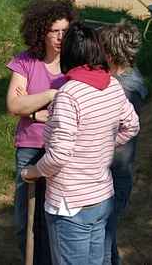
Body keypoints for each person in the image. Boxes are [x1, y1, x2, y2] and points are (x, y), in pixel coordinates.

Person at [21, 22, 140, 265]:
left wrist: (33, 171)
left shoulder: (69, 94)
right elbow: (132, 125)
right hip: (101, 198)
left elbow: (59, 155)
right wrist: (102, 144)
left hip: (70, 203)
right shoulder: (112, 85)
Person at [6, 0, 78, 264]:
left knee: (54, 221)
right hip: (30, 147)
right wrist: (51, 94)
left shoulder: (75, 64)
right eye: (54, 31)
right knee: (24, 220)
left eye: (65, 31)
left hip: (62, 150)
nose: (61, 37)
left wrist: (33, 109)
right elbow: (14, 105)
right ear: (41, 32)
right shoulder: (26, 61)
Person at [99, 20, 148, 265]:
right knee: (106, 237)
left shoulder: (126, 89)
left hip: (113, 175)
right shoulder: (124, 79)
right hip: (112, 172)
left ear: (110, 54)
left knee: (102, 240)